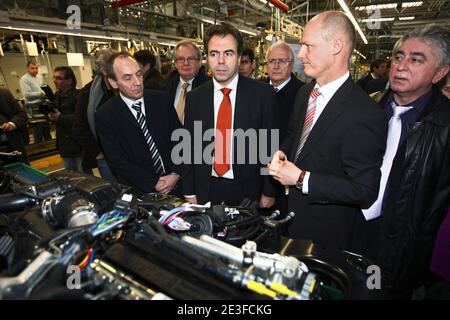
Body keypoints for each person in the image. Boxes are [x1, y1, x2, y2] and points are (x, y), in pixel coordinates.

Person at [268, 11, 387, 252]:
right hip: (291, 223)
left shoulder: (364, 113)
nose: (301, 55)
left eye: (308, 47)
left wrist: (301, 179)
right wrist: (281, 154)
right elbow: (294, 136)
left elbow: (364, 190)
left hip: (326, 238)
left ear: (336, 46)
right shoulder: (305, 93)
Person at [366, 24, 450, 297]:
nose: (401, 65)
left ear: (440, 73)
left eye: (416, 59)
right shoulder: (367, 108)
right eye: (398, 56)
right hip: (351, 234)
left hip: (401, 254)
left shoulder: (445, 126)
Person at [182, 23, 278, 208]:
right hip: (206, 187)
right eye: (214, 54)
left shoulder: (262, 94)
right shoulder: (195, 97)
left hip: (249, 190)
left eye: (228, 53)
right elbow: (189, 146)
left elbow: (269, 146)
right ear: (206, 57)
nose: (220, 61)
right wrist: (189, 189)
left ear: (239, 57)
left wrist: (269, 190)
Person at [95, 52, 182, 195]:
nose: (137, 82)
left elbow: (181, 138)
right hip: (141, 192)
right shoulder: (106, 115)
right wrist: (153, 182)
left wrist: (176, 174)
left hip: (178, 185)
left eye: (139, 74)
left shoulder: (161, 100)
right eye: (127, 78)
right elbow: (118, 160)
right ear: (113, 82)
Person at [73, 49, 117, 179]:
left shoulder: (129, 88)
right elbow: (79, 127)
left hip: (130, 154)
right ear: (105, 71)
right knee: (116, 194)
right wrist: (98, 151)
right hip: (106, 158)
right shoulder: (88, 94)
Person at [265, 41, 305, 142]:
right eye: (272, 61)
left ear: (291, 65)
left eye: (282, 61)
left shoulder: (303, 94)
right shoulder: (255, 90)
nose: (276, 66)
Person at [165, 40, 209, 124]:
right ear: (175, 63)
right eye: (181, 59)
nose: (185, 63)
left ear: (199, 62)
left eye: (191, 59)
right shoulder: (164, 86)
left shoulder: (210, 89)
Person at [49, 66, 82, 171]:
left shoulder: (79, 96)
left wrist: (60, 118)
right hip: (64, 144)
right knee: (70, 174)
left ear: (69, 80)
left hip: (77, 143)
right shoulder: (56, 97)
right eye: (54, 78)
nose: (55, 81)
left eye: (59, 78)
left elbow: (81, 118)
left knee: (84, 176)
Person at [19, 59, 52, 143]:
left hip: (42, 106)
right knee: (38, 131)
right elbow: (27, 95)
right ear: (28, 68)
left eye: (36, 68)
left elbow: (42, 88)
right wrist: (42, 94)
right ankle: (39, 148)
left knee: (46, 129)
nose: (35, 70)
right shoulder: (24, 79)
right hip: (33, 108)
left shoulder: (39, 77)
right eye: (32, 68)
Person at [0, 88, 29, 164]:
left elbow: (21, 114)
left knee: (22, 174)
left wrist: (11, 124)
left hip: (12, 146)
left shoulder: (4, 94)